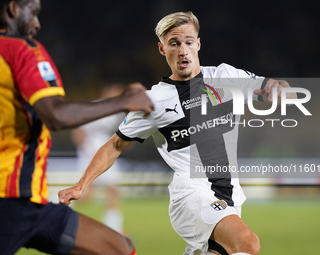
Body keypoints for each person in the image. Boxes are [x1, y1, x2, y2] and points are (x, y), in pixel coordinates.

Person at [59, 11, 297, 255]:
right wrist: (81, 186)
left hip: (229, 194)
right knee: (248, 244)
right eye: (174, 43)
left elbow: (279, 89)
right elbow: (114, 146)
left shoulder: (226, 76)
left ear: (198, 44)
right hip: (192, 193)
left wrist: (279, 91)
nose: (183, 50)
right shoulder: (154, 101)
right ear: (162, 49)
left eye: (188, 42)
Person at [0, 0, 154, 254]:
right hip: (12, 198)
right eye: (34, 13)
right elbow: (56, 115)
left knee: (120, 248)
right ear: (14, 9)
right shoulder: (22, 50)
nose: (37, 24)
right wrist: (122, 101)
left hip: (33, 205)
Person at [71, 84, 126, 233]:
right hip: (93, 152)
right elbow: (79, 130)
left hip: (104, 151)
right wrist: (88, 152)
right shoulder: (97, 108)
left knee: (109, 190)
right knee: (91, 193)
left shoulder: (116, 111)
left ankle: (114, 229)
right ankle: (59, 205)